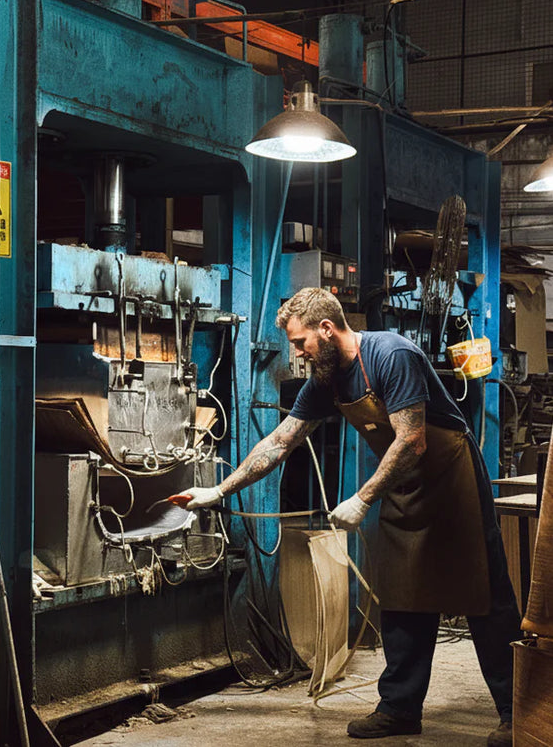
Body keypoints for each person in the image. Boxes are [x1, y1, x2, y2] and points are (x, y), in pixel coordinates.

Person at [175, 287, 520, 746]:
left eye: (300, 344)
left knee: (485, 594)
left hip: (450, 474)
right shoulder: (327, 380)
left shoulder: (390, 356)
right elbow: (280, 442)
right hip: (403, 483)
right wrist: (218, 489)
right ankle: (400, 708)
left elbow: (413, 441)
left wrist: (361, 498)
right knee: (402, 593)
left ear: (326, 329)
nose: (297, 355)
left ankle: (519, 709)